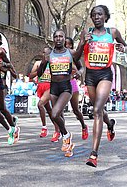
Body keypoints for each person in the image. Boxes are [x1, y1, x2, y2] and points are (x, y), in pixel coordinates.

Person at [75, 5, 127, 167]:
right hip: (90, 75)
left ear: (106, 16)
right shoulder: (86, 33)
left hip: (105, 74)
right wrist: (82, 43)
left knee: (97, 110)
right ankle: (110, 124)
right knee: (98, 108)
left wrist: (122, 48)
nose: (96, 17)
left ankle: (93, 154)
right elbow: (76, 57)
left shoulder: (112, 33)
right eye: (93, 15)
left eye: (99, 14)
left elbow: (126, 47)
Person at [38, 29, 79, 157]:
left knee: (54, 114)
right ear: (53, 39)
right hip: (54, 87)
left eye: (61, 36)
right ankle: (67, 142)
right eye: (56, 37)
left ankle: (66, 135)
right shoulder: (49, 54)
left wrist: (79, 73)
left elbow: (81, 66)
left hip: (66, 87)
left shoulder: (70, 52)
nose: (58, 39)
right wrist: (43, 63)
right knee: (58, 116)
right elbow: (39, 74)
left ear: (64, 38)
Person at [29, 47, 60, 141]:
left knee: (40, 104)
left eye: (47, 54)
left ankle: (44, 127)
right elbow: (30, 76)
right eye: (43, 53)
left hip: (50, 87)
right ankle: (57, 130)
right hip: (40, 86)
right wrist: (40, 68)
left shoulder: (54, 63)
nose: (44, 55)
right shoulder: (38, 63)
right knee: (50, 111)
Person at [65, 37, 89, 140]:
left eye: (68, 44)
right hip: (59, 83)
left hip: (71, 83)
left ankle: (83, 125)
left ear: (71, 45)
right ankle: (61, 132)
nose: (66, 46)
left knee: (75, 109)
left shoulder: (73, 54)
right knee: (58, 109)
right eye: (64, 44)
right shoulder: (56, 54)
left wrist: (79, 72)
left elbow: (81, 67)